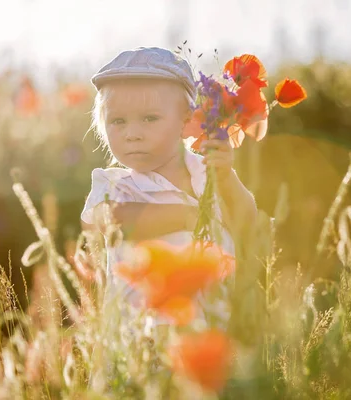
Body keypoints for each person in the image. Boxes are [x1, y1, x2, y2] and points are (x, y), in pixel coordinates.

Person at [80, 46, 258, 324]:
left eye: (149, 118)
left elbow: (247, 221)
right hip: (140, 338)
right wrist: (190, 216)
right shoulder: (114, 184)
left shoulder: (207, 173)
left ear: (186, 120)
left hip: (209, 332)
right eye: (118, 121)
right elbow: (113, 222)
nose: (132, 134)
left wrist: (226, 177)